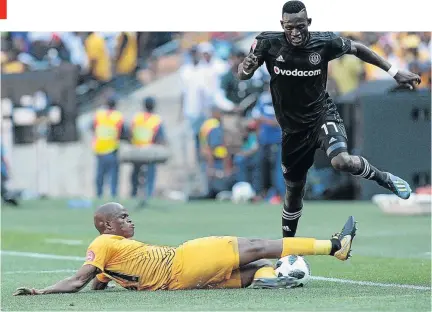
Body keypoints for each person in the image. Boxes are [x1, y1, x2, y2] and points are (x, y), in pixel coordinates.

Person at [238, 0, 421, 238]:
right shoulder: (267, 43)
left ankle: (383, 178)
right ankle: (289, 250)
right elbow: (243, 74)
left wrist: (395, 73)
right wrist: (246, 67)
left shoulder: (324, 42)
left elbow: (358, 49)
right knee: (293, 192)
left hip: (321, 115)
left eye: (301, 26)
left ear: (309, 23)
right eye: (289, 27)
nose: (295, 32)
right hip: (293, 131)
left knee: (341, 161)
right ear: (281, 24)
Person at [13, 202, 356, 295]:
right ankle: (335, 247)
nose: (130, 222)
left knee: (254, 268)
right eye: (123, 217)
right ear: (106, 226)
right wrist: (42, 292)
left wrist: (108, 281)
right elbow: (78, 281)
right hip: (184, 259)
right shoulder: (103, 242)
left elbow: (99, 282)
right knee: (257, 245)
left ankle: (268, 279)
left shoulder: (111, 256)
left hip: (181, 282)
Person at [129, 97, 166, 202]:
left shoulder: (137, 118)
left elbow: (130, 133)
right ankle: (149, 194)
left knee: (135, 173)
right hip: (150, 151)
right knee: (150, 174)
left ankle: (134, 193)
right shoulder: (156, 119)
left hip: (137, 150)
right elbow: (161, 137)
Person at [92, 96, 126, 199]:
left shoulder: (99, 115)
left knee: (100, 175)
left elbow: (92, 127)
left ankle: (99, 195)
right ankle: (113, 195)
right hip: (112, 149)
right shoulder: (118, 116)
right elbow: (123, 131)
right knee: (113, 176)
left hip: (99, 148)